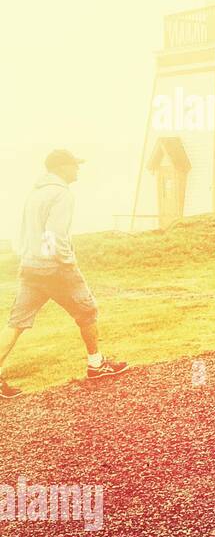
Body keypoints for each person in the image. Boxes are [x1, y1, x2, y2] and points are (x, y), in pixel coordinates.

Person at [0, 150, 128, 398]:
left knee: (16, 323)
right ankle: (96, 364)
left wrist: (30, 257)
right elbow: (54, 234)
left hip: (30, 266)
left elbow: (26, 232)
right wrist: (65, 261)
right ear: (61, 167)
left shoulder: (34, 194)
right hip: (55, 268)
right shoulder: (62, 194)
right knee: (87, 311)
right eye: (74, 165)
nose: (77, 170)